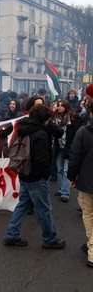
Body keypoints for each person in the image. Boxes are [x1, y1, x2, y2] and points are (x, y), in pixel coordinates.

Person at [4, 104, 66, 249]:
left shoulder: (24, 127)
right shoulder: (41, 133)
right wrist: (45, 174)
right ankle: (50, 239)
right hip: (36, 176)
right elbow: (41, 159)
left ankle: (11, 234)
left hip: (24, 172)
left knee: (23, 204)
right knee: (43, 208)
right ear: (45, 118)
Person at [67, 102, 93, 268]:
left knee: (89, 214)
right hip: (87, 179)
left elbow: (75, 156)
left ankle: (92, 249)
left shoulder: (83, 132)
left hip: (87, 180)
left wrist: (72, 176)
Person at [51, 99, 79, 202]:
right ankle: (60, 189)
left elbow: (75, 134)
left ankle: (65, 193)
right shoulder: (54, 118)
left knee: (66, 170)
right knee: (59, 169)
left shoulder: (72, 118)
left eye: (62, 105)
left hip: (68, 148)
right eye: (58, 105)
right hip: (58, 147)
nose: (59, 107)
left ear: (66, 107)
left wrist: (72, 147)